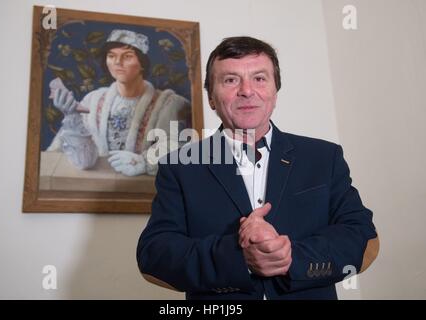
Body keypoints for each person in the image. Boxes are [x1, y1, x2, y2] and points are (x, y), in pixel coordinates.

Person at [136, 36, 379, 299]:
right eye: (230, 80)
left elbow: (363, 238)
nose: (247, 90)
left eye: (260, 78)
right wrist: (240, 258)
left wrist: (289, 257)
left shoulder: (324, 157)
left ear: (275, 91)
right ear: (211, 98)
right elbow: (155, 254)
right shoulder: (179, 166)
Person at [47, 29, 191, 176]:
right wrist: (72, 117)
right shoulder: (92, 100)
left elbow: (179, 149)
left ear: (142, 63)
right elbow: (73, 158)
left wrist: (143, 162)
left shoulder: (169, 104)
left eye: (127, 56)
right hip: (97, 185)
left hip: (145, 188)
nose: (117, 62)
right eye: (111, 56)